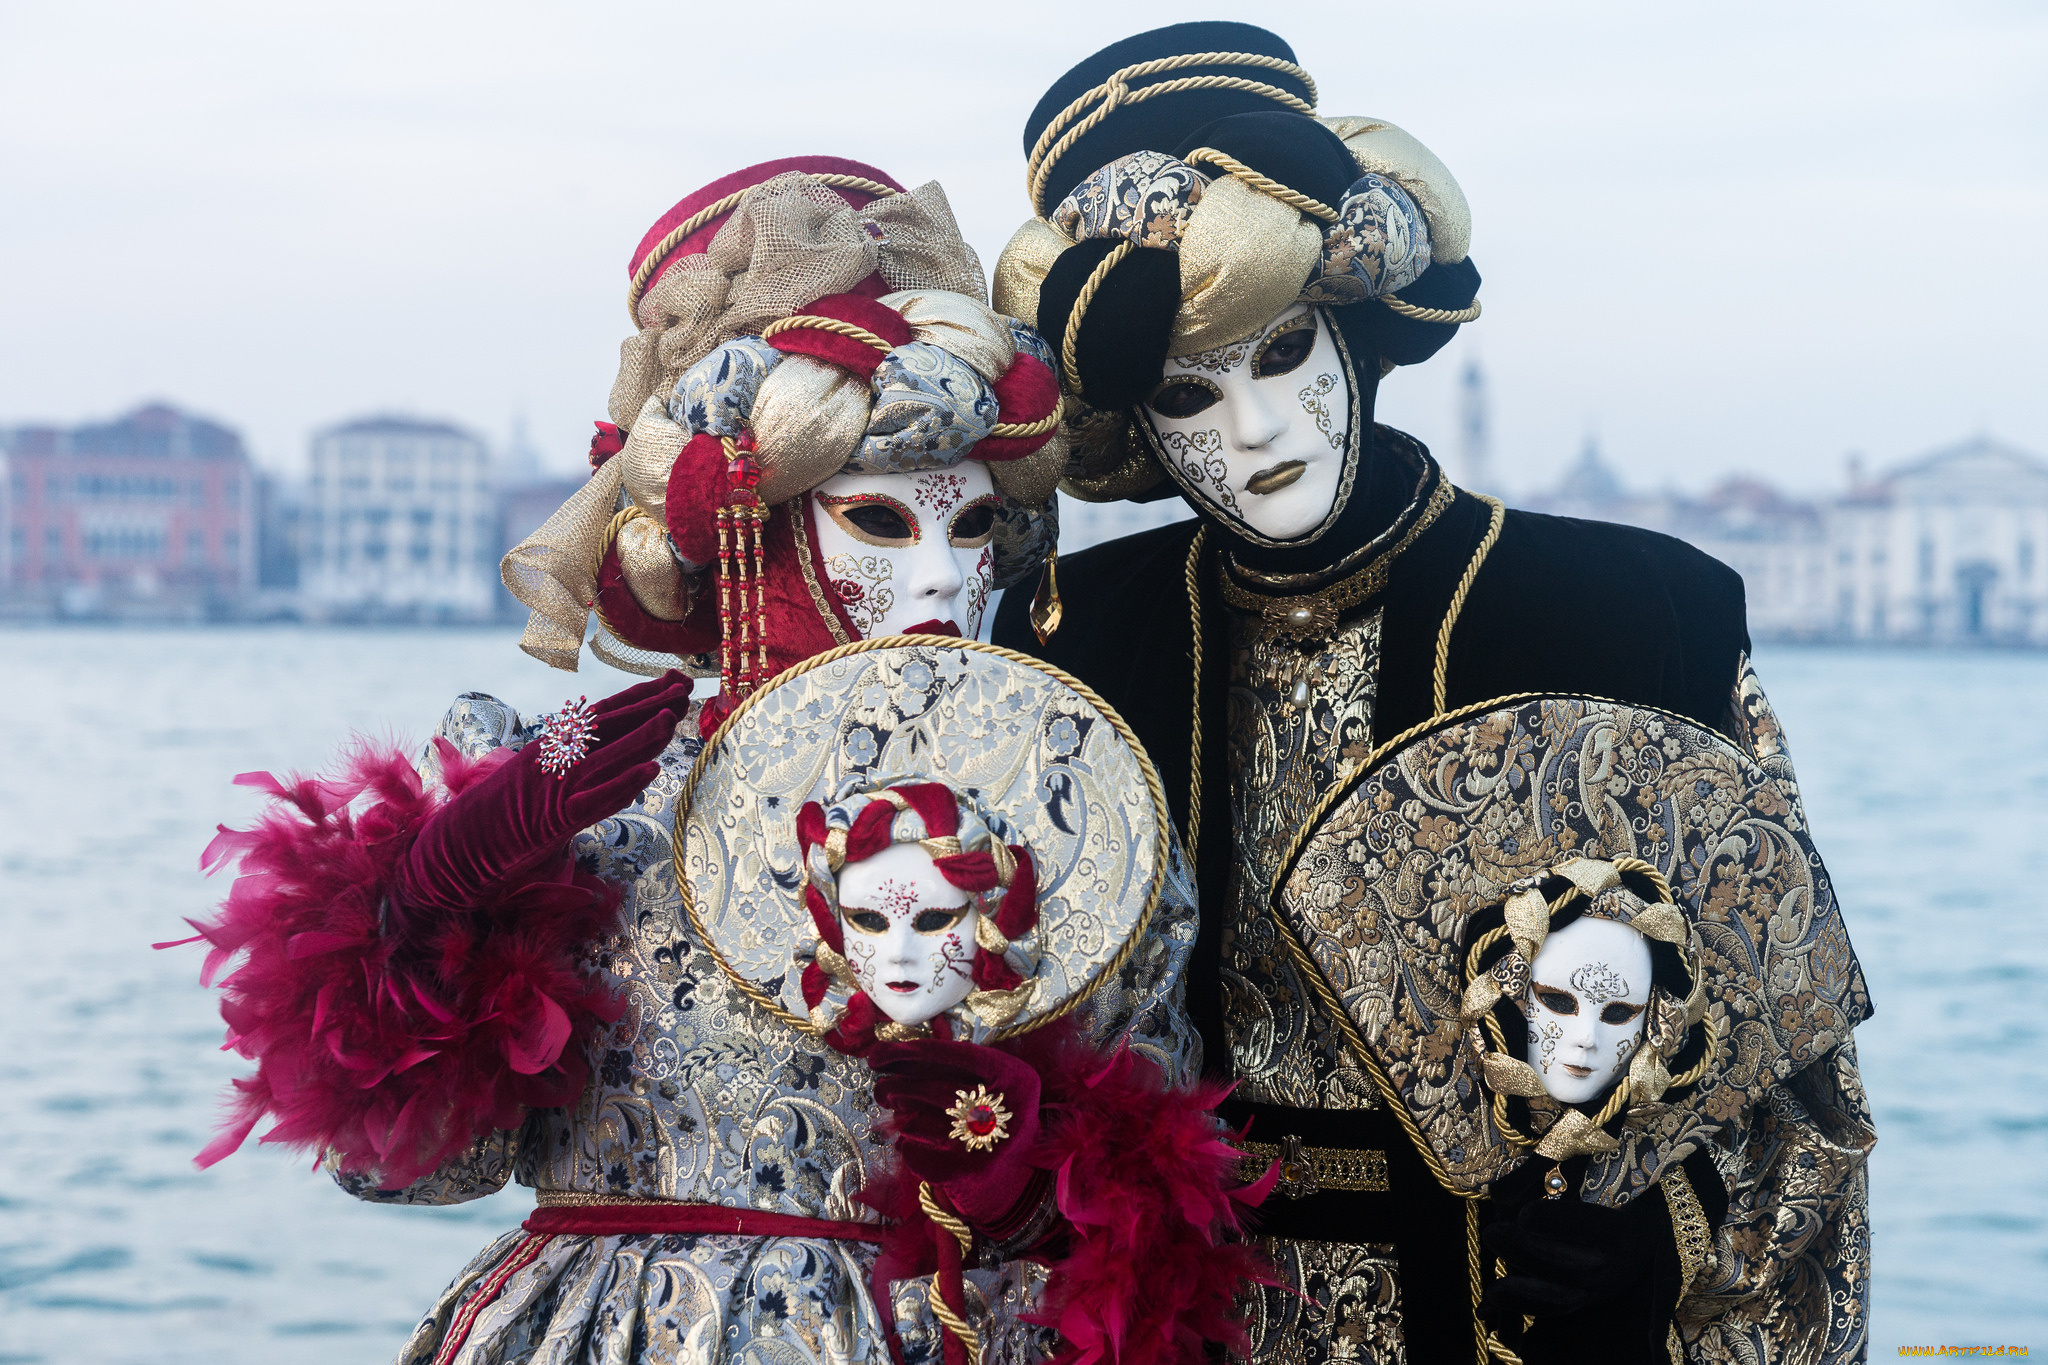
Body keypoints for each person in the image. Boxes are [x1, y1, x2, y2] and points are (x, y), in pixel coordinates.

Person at [174, 157, 1261, 1365]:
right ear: (761, 526)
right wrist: (433, 901)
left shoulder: (1077, 818)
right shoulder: (584, 794)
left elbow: (1135, 1227)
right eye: (881, 521)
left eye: (972, 525)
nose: (944, 577)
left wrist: (1012, 1188)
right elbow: (402, 1169)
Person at [988, 24, 1874, 1365]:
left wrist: (1667, 1234)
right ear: (1140, 431)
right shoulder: (1083, 641)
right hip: (1187, 1314)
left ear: (1359, 331)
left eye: (1285, 354)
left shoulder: (1628, 614)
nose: (1259, 435)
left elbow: (1781, 1065)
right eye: (1189, 394)